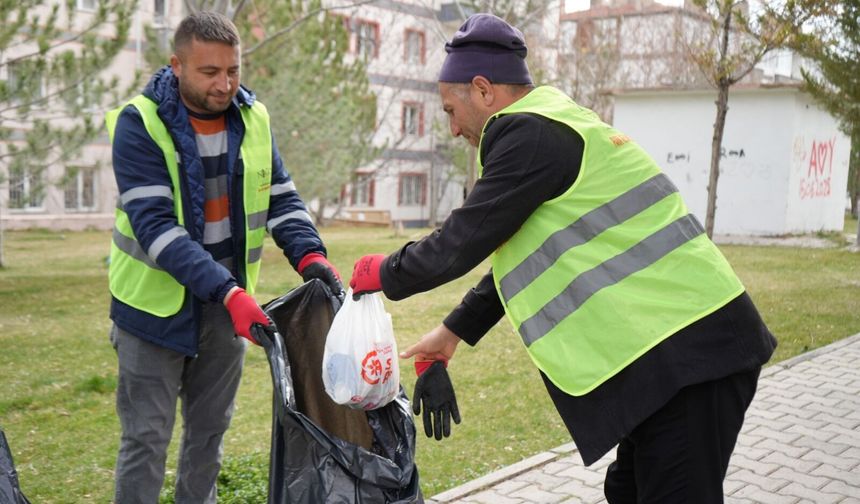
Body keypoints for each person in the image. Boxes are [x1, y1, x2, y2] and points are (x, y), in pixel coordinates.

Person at [349, 13, 777, 503]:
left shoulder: (528, 136)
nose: (451, 129)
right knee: (630, 490)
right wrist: (452, 334)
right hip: (672, 358)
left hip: (692, 354)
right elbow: (527, 256)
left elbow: (458, 243)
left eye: (450, 110)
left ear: (484, 90)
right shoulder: (551, 125)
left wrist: (383, 271)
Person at [105, 11, 342, 503]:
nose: (225, 84)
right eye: (209, 72)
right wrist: (230, 291)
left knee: (208, 439)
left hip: (224, 312)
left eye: (233, 71)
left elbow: (281, 199)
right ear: (177, 65)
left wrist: (311, 257)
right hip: (152, 314)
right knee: (145, 442)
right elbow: (155, 227)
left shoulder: (253, 119)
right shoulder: (139, 124)